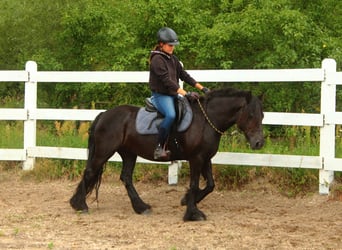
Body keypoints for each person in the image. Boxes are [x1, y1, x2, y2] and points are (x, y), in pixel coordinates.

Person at [148, 27, 209, 160]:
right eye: (170, 45)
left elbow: (184, 76)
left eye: (173, 46)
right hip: (160, 95)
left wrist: (202, 88)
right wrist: (185, 93)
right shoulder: (157, 60)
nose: (172, 48)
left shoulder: (173, 59)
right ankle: (159, 146)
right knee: (171, 115)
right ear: (161, 44)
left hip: (172, 95)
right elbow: (168, 81)